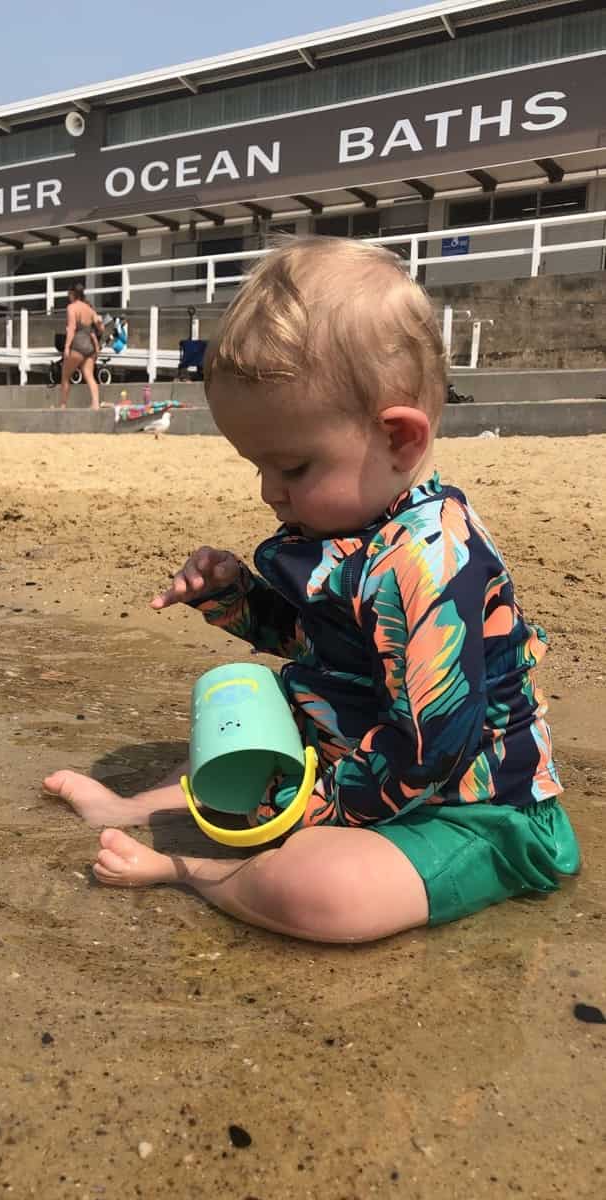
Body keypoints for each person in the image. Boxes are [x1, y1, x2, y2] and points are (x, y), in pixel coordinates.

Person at [45, 237, 580, 943]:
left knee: (320, 889)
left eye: (292, 467)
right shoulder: (352, 528)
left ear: (399, 439)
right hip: (362, 763)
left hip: (471, 812)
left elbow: (430, 747)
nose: (269, 491)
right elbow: (316, 641)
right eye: (257, 466)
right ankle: (131, 808)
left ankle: (190, 870)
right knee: (243, 732)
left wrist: (308, 811)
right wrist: (235, 598)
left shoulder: (428, 561)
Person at [60, 282, 103, 411]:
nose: (68, 297)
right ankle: (95, 404)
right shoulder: (89, 309)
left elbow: (72, 328)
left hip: (77, 345)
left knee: (65, 376)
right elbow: (101, 328)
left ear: (73, 294)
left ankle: (63, 405)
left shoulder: (71, 307)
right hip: (89, 347)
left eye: (69, 294)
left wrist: (67, 347)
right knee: (89, 375)